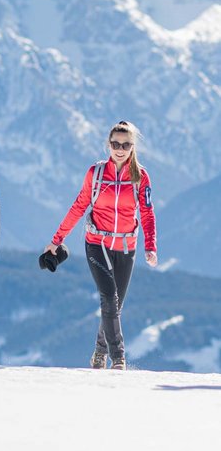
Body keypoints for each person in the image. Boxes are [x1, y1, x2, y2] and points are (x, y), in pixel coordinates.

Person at [43, 120, 158, 370]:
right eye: (115, 143)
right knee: (109, 297)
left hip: (127, 247)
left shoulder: (141, 176)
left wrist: (150, 246)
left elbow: (147, 213)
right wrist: (56, 239)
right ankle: (118, 358)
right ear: (108, 144)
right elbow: (79, 206)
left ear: (132, 147)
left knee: (115, 305)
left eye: (125, 144)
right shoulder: (95, 174)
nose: (120, 148)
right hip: (97, 243)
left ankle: (99, 350)